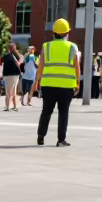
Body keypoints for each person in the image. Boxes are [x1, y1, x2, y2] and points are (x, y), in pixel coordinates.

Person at [35, 18, 80, 147]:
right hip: (67, 85)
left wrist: (37, 81)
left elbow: (41, 65)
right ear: (67, 33)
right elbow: (76, 66)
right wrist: (77, 83)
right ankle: (61, 140)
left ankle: (41, 136)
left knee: (46, 111)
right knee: (63, 112)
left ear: (53, 32)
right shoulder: (72, 47)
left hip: (48, 84)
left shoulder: (46, 46)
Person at [1, 42, 23, 111]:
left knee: (8, 91)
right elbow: (20, 63)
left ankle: (7, 106)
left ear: (8, 48)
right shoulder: (18, 55)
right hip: (16, 74)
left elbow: (2, 61)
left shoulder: (7, 55)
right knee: (14, 91)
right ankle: (15, 106)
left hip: (8, 75)